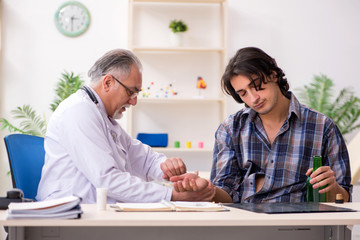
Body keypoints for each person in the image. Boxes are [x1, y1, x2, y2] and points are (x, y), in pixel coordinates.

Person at [36, 49, 214, 203]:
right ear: (107, 83)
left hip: (95, 211)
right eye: (131, 91)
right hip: (69, 215)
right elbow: (107, 180)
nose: (134, 101)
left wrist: (170, 170)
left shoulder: (103, 117)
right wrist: (172, 195)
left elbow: (143, 158)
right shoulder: (79, 111)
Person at [208, 47, 352, 203]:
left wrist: (331, 187)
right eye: (243, 93)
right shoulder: (230, 129)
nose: (253, 98)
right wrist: (206, 191)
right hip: (245, 223)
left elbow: (343, 198)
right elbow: (223, 196)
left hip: (301, 224)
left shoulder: (322, 127)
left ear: (273, 75)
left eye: (257, 86)